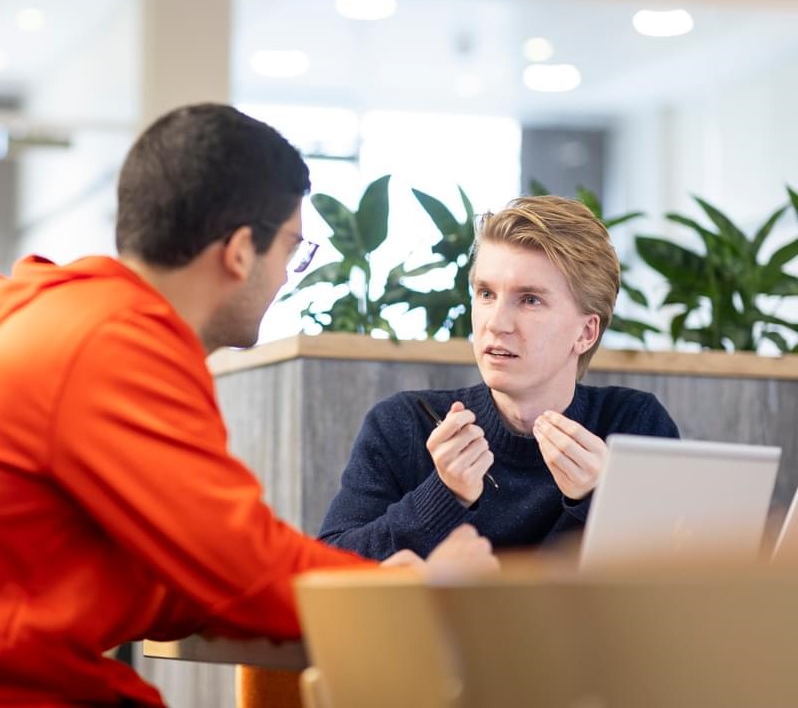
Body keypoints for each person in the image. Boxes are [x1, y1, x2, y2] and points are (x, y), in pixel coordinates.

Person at [0, 103, 496, 707]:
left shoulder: (54, 309)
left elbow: (189, 571)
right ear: (239, 251)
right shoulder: (116, 346)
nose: (289, 273)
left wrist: (370, 583)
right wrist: (417, 592)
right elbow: (244, 569)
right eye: (293, 248)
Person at [319, 195, 680, 560]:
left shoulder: (632, 426)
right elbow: (330, 571)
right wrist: (443, 495)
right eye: (486, 293)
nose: (495, 323)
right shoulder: (404, 424)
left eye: (530, 300)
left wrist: (602, 500)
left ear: (586, 333)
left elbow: (683, 585)